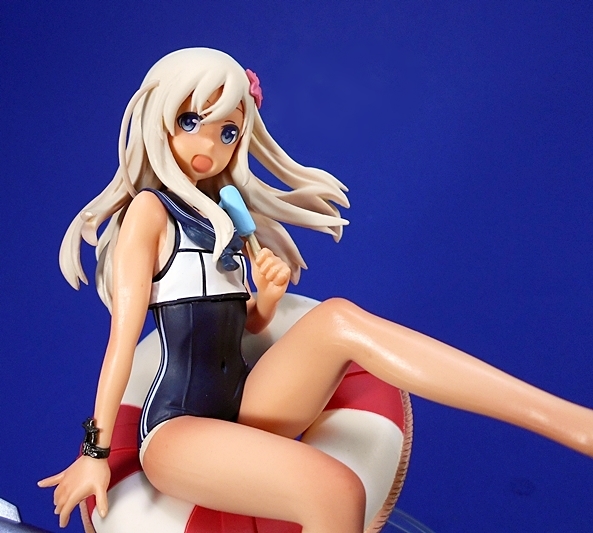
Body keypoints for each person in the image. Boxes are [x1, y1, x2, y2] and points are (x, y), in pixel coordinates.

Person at [39, 48, 593, 533]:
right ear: (159, 119)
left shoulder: (220, 218)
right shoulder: (148, 212)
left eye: (228, 132)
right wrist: (94, 452)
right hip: (178, 431)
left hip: (243, 404)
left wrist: (264, 300)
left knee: (337, 318)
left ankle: (569, 422)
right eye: (191, 121)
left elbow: (239, 329)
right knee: (336, 489)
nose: (209, 143)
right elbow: (122, 343)